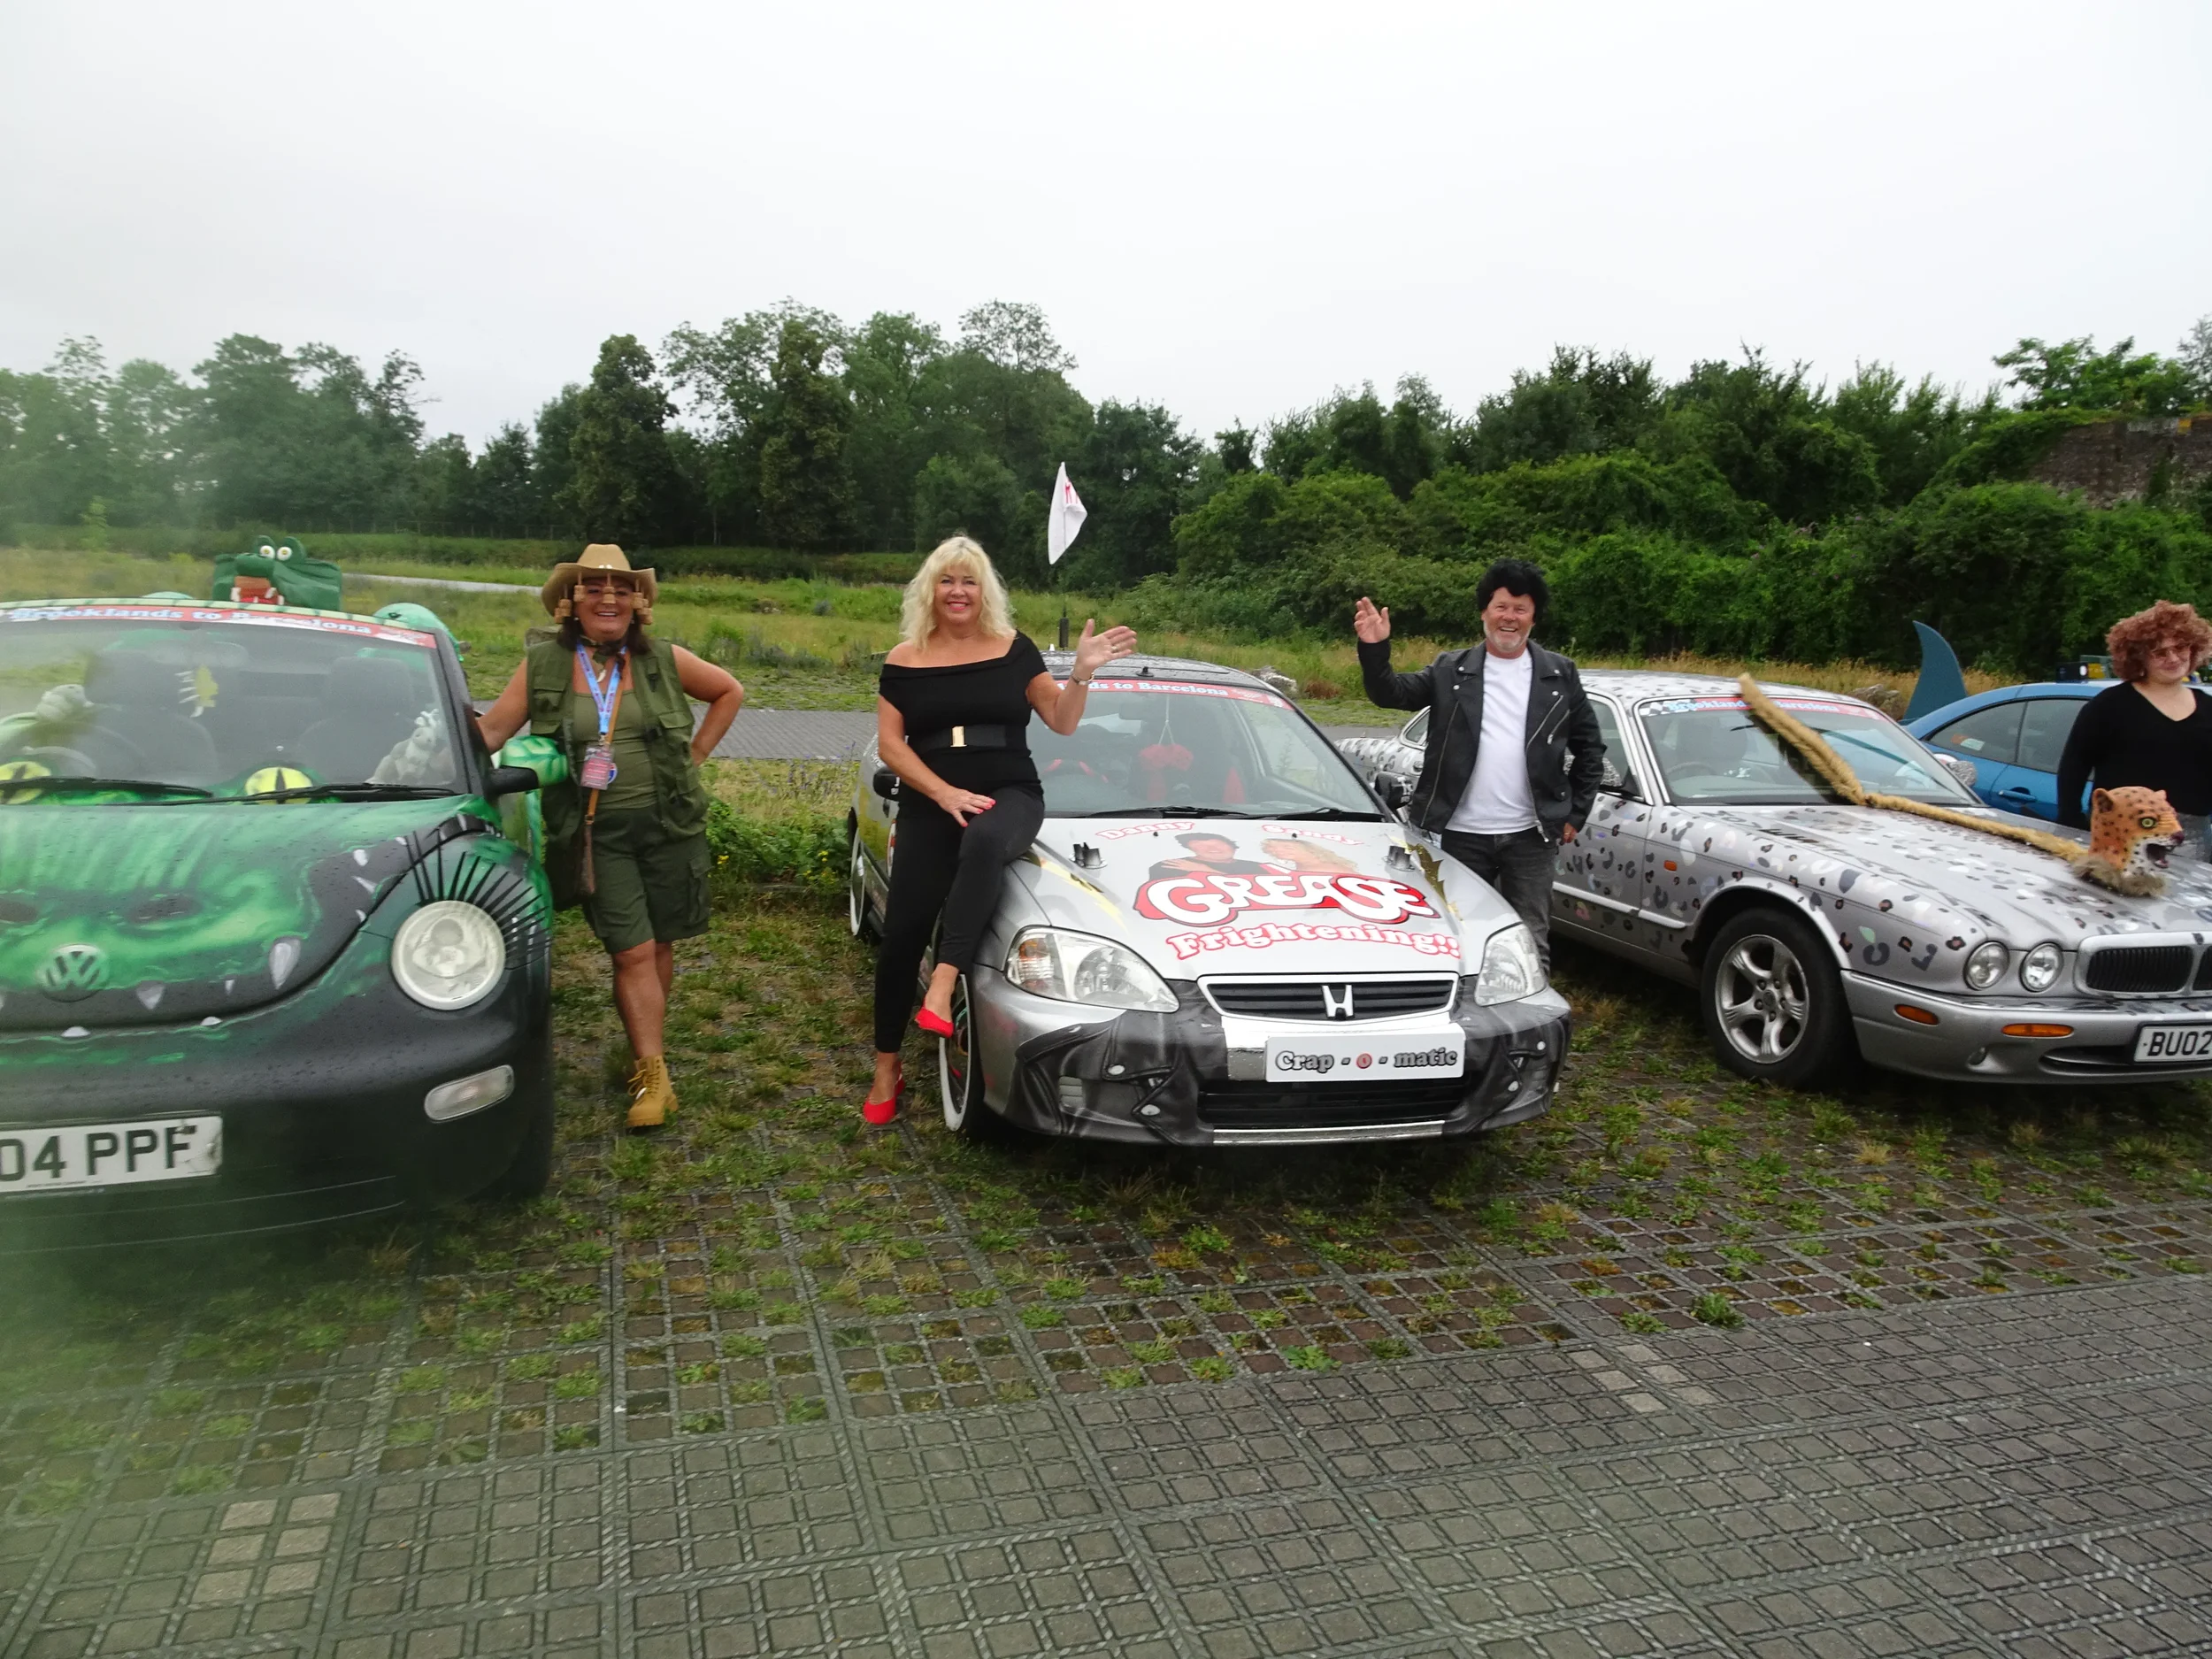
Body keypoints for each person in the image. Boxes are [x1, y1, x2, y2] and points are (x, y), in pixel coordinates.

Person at [869, 536, 1136, 1124]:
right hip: (931, 798)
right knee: (902, 931)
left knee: (986, 840)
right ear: (930, 590)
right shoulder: (905, 658)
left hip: (1010, 792)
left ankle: (941, 987)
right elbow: (891, 743)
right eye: (947, 580)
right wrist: (940, 791)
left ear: (984, 589)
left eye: (969, 581)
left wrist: (1083, 675)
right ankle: (887, 1065)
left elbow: (1062, 722)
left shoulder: (1014, 650)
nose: (958, 591)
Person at [477, 544, 744, 1130]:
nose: (608, 596)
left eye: (621, 587)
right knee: (632, 949)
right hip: (598, 836)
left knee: (662, 942)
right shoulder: (544, 663)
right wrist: (428, 734)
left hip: (671, 825)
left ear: (637, 602)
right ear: (571, 601)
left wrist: (694, 757)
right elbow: (493, 728)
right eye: (594, 586)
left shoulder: (664, 659)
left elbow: (730, 691)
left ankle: (647, 1052)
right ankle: (652, 1074)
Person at [1354, 557, 1603, 969]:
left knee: (1528, 940)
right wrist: (1375, 648)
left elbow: (1590, 748)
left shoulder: (1560, 674)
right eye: (1501, 607)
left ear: (1534, 618)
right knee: (1456, 936)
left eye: (1520, 609)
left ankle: (1528, 1023)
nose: (1510, 618)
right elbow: (1390, 694)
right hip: (1458, 835)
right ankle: (1465, 1026)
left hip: (1531, 836)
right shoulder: (1451, 669)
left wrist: (1575, 811)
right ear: (1485, 612)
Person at [2057, 599, 2212, 856]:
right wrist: (2071, 825)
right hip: (2120, 837)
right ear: (2139, 658)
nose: (2173, 658)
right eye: (2160, 653)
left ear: (2193, 647)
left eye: (2180, 646)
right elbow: (2074, 766)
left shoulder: (2209, 708)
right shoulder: (2109, 705)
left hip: (2191, 843)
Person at [1146, 830, 1276, 883]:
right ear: (1191, 850)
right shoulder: (1171, 866)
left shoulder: (1257, 866)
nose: (1213, 849)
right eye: (1200, 846)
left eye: (1218, 844)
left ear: (1232, 846)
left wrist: (1208, 872)